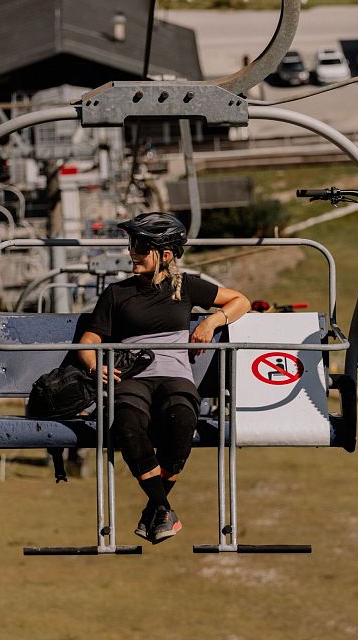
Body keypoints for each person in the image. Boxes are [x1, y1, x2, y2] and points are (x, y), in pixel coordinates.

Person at [79, 212, 250, 544]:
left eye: (141, 247)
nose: (132, 253)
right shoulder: (117, 294)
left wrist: (210, 323)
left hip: (175, 375)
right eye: (132, 245)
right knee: (126, 423)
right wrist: (92, 365)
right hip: (133, 376)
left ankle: (154, 510)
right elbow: (89, 341)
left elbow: (239, 301)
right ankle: (160, 507)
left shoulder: (184, 287)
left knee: (184, 419)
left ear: (165, 255)